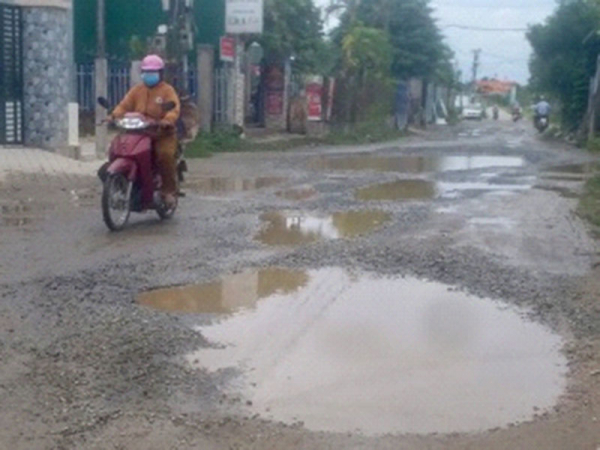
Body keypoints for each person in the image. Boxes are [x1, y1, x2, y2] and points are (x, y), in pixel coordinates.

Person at [111, 54, 181, 208]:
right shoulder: (137, 90)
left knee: (164, 155)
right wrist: (113, 116)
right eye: (146, 72)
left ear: (160, 73)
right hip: (138, 132)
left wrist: (167, 120)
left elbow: (174, 108)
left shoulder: (167, 90)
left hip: (161, 134)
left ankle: (168, 191)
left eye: (153, 72)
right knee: (116, 148)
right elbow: (123, 106)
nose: (149, 75)